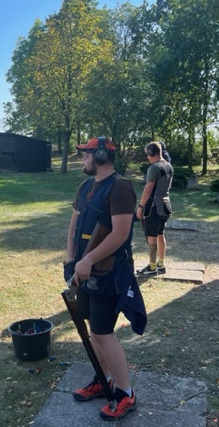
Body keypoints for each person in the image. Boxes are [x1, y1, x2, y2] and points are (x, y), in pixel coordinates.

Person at [64, 136, 146, 421]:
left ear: (100, 156)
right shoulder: (86, 186)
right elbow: (74, 224)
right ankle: (103, 380)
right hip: (84, 270)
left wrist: (88, 260)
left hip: (108, 272)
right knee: (94, 328)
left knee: (101, 333)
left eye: (86, 154)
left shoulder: (120, 187)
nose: (82, 158)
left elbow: (120, 234)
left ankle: (126, 393)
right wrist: (71, 259)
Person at [136, 141, 173, 276]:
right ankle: (160, 264)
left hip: (154, 207)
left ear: (152, 153)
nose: (147, 157)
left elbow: (148, 189)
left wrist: (140, 206)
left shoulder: (154, 168)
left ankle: (152, 267)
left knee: (151, 236)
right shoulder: (168, 166)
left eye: (147, 154)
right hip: (166, 205)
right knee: (160, 234)